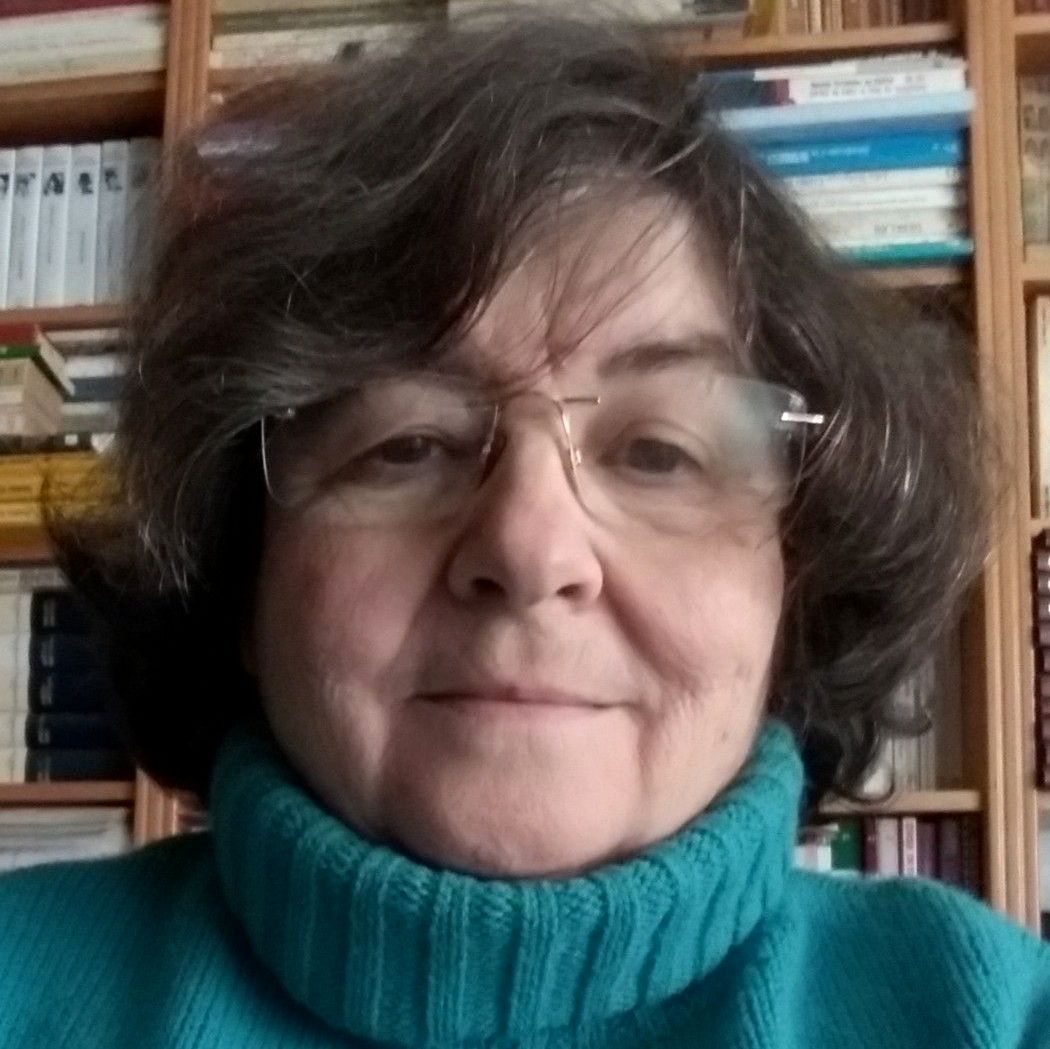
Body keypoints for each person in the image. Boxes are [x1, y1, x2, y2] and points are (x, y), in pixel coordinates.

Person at [2, 13, 1048, 1049]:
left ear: (798, 575)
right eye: (407, 444)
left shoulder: (997, 1019)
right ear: (242, 566)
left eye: (660, 452)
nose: (531, 550)